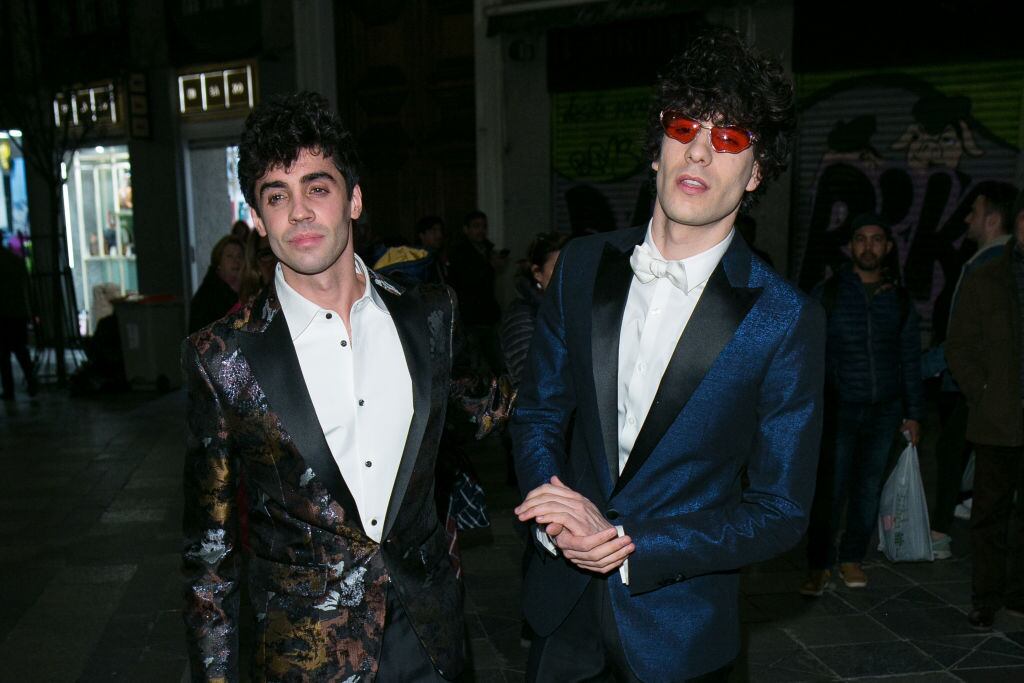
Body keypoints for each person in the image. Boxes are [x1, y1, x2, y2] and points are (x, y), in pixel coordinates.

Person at [511, 29, 823, 682]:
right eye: (685, 127)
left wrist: (632, 546)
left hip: (681, 634)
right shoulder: (581, 265)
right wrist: (556, 518)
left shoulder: (783, 318)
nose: (700, 150)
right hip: (563, 616)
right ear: (658, 148)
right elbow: (538, 412)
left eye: (729, 137)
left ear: (756, 172)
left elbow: (779, 511)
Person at [181, 91, 510, 681]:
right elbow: (210, 557)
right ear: (258, 217)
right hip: (304, 658)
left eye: (317, 188)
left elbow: (489, 411)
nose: (298, 212)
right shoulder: (222, 356)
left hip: (429, 643)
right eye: (276, 196)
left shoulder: (431, 316)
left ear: (354, 199)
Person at [801, 214, 925, 596]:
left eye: (876, 239)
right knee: (830, 490)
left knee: (867, 489)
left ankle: (852, 557)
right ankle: (819, 564)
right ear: (851, 246)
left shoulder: (898, 299)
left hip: (884, 410)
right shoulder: (829, 293)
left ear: (887, 247)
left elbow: (909, 358)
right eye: (860, 238)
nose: (868, 246)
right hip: (838, 409)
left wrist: (914, 413)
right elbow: (808, 353)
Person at [945, 186, 1024, 630]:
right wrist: (984, 391)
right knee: (989, 512)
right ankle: (986, 597)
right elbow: (960, 345)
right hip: (997, 418)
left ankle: (1020, 595)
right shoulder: (987, 276)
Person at [924, 182, 1017, 558]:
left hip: (978, 385)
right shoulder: (995, 264)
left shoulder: (986, 267)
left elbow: (963, 338)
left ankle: (940, 529)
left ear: (992, 220)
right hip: (985, 383)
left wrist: (924, 368)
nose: (967, 219)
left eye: (974, 212)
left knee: (953, 452)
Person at [501, 231, 570, 387]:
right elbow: (529, 376)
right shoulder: (523, 315)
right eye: (558, 268)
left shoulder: (566, 308)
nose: (566, 274)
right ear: (537, 273)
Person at [448, 210, 506, 373]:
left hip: (487, 316)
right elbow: (466, 280)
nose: (481, 230)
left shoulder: (487, 250)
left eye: (484, 226)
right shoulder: (460, 253)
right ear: (466, 229)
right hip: (469, 318)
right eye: (476, 226)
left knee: (497, 365)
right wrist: (488, 266)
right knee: (473, 366)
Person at [0, 243, 37, 400]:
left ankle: (9, 389)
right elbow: (27, 287)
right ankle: (31, 381)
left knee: (3, 354)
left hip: (2, 313)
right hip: (18, 311)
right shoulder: (15, 260)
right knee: (21, 349)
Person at [187, 234, 243, 333]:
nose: (236, 261)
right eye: (229, 256)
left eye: (239, 256)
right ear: (219, 262)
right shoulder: (206, 298)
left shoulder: (249, 290)